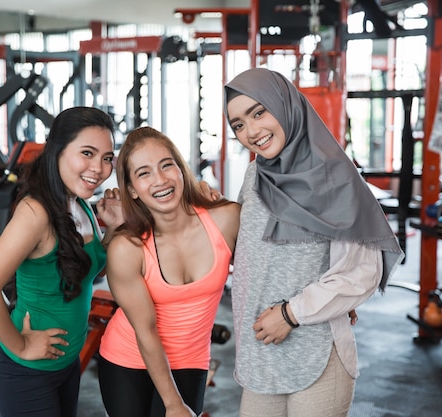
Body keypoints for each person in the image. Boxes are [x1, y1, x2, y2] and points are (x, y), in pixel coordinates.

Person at [223, 67, 404, 417]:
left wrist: (291, 314)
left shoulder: (336, 177)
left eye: (259, 112)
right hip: (260, 353)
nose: (252, 131)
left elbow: (361, 273)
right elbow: (247, 251)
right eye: (239, 125)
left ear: (285, 104)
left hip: (317, 355)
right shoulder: (255, 174)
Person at [0, 106, 124, 417]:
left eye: (107, 158)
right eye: (87, 153)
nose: (99, 168)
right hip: (26, 371)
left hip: (66, 363)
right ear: (57, 152)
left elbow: (90, 269)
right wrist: (21, 345)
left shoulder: (80, 204)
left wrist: (116, 228)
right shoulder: (36, 212)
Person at [97, 126, 241, 417]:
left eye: (167, 165)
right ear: (132, 190)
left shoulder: (226, 219)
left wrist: (329, 295)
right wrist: (173, 403)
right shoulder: (127, 248)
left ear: (181, 169)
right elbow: (146, 331)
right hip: (128, 358)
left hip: (191, 359)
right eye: (144, 173)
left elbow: (267, 267)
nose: (160, 180)